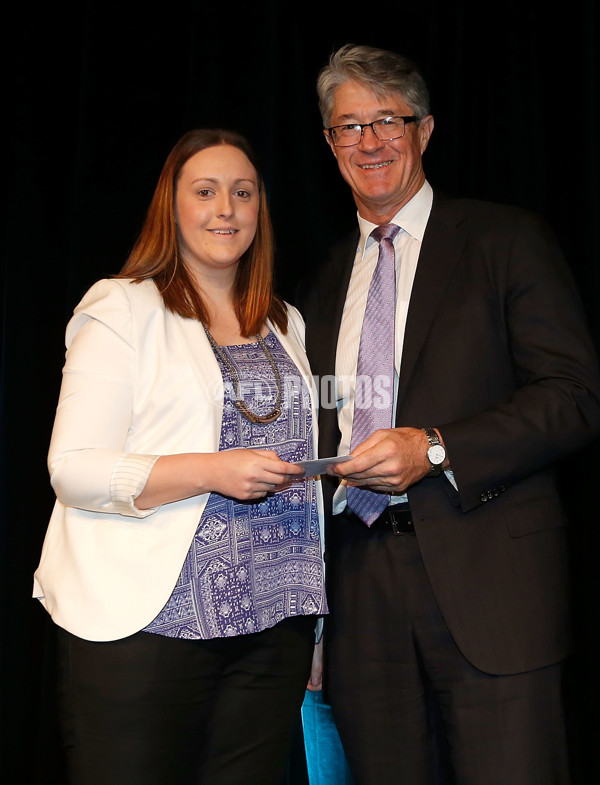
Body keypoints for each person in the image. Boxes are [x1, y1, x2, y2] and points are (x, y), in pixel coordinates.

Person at [298, 44, 600, 785]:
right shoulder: (323, 278)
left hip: (490, 582)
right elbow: (321, 426)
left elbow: (573, 397)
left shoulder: (504, 240)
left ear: (424, 131)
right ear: (330, 144)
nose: (369, 142)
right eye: (348, 127)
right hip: (362, 593)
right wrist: (312, 621)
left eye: (387, 121)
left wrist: (435, 446)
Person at [33, 128, 327, 785]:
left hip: (271, 630)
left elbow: (303, 484)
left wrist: (315, 625)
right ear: (173, 207)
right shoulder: (123, 306)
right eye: (205, 191)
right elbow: (73, 467)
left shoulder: (286, 320)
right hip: (148, 625)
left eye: (242, 192)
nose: (226, 207)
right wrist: (208, 470)